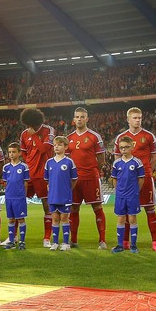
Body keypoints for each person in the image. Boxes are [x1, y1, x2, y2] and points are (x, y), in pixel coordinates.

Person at [112, 107, 156, 251]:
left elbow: (155, 157)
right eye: (135, 118)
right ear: (128, 120)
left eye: (139, 117)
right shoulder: (121, 138)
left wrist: (145, 171)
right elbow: (117, 159)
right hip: (126, 182)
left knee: (150, 209)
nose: (138, 120)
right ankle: (125, 242)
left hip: (144, 178)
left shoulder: (149, 136)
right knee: (127, 211)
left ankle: (155, 242)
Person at [66, 107, 107, 249]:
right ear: (73, 119)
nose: (79, 119)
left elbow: (101, 159)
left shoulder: (94, 136)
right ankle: (74, 240)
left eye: (82, 117)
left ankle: (102, 240)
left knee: (97, 207)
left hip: (91, 177)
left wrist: (94, 171)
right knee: (73, 208)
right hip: (74, 180)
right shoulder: (69, 138)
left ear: (87, 119)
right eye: (77, 117)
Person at [19, 108, 55, 248]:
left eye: (31, 124)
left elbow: (44, 150)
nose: (29, 127)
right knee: (18, 204)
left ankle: (47, 238)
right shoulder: (23, 134)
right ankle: (14, 236)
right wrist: (29, 165)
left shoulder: (48, 130)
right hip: (28, 174)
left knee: (47, 206)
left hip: (43, 175)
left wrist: (34, 136)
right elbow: (23, 153)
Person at [111, 136, 145, 254]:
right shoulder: (116, 163)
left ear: (132, 147)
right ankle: (120, 245)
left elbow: (141, 179)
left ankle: (133, 245)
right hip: (120, 196)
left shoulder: (137, 162)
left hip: (132, 195)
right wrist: (118, 191)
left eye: (126, 147)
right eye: (121, 148)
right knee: (120, 219)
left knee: (132, 219)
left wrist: (136, 191)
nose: (124, 150)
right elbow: (114, 179)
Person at [45, 136, 78, 251]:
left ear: (66, 147)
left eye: (59, 145)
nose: (56, 147)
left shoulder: (69, 162)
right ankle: (55, 243)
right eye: (55, 145)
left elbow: (74, 179)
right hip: (53, 196)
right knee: (54, 219)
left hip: (65, 196)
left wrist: (68, 190)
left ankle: (65, 243)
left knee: (64, 218)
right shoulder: (49, 162)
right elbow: (47, 180)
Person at [2, 142, 30, 250]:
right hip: (9, 197)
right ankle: (11, 241)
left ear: (19, 153)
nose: (11, 154)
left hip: (19, 197)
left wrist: (23, 195)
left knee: (21, 219)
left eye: (14, 152)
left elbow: (25, 183)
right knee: (11, 219)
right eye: (9, 152)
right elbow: (5, 183)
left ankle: (22, 241)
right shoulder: (6, 167)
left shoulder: (24, 167)